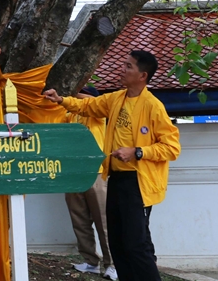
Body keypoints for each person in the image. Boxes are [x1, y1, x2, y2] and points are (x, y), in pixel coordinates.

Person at [44, 50, 180, 281]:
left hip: (137, 183)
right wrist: (61, 100)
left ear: (142, 75)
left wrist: (137, 151)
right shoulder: (116, 98)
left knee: (136, 244)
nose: (122, 69)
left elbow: (171, 147)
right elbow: (89, 106)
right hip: (115, 178)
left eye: (128, 66)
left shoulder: (153, 106)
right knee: (117, 243)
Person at [63, 87, 116, 281]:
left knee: (104, 222)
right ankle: (91, 261)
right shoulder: (69, 115)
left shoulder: (97, 115)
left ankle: (112, 264)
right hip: (73, 174)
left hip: (96, 173)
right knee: (80, 221)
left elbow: (96, 102)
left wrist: (72, 92)